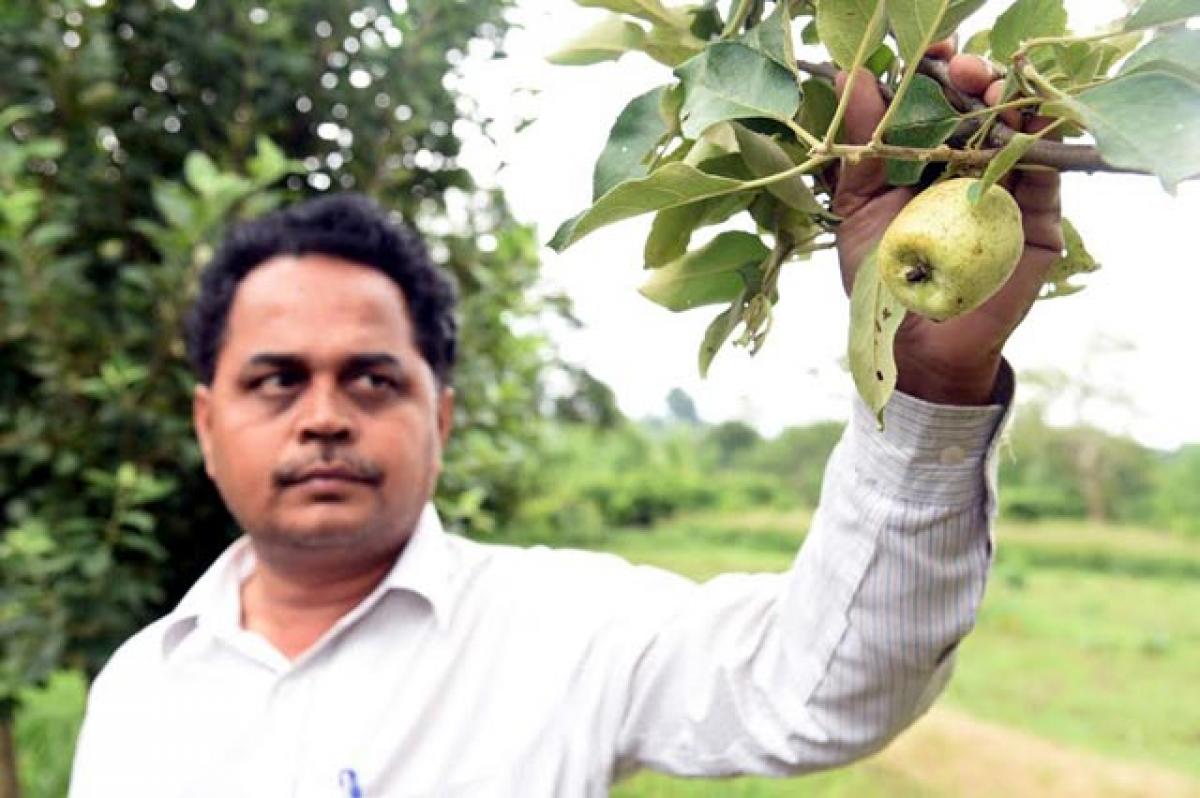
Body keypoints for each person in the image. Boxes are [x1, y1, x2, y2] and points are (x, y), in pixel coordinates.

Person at [68, 50, 1061, 796]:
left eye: (372, 379)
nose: (324, 418)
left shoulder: (563, 628)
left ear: (441, 415)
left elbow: (824, 689)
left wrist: (921, 378)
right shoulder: (136, 693)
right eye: (276, 383)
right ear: (207, 423)